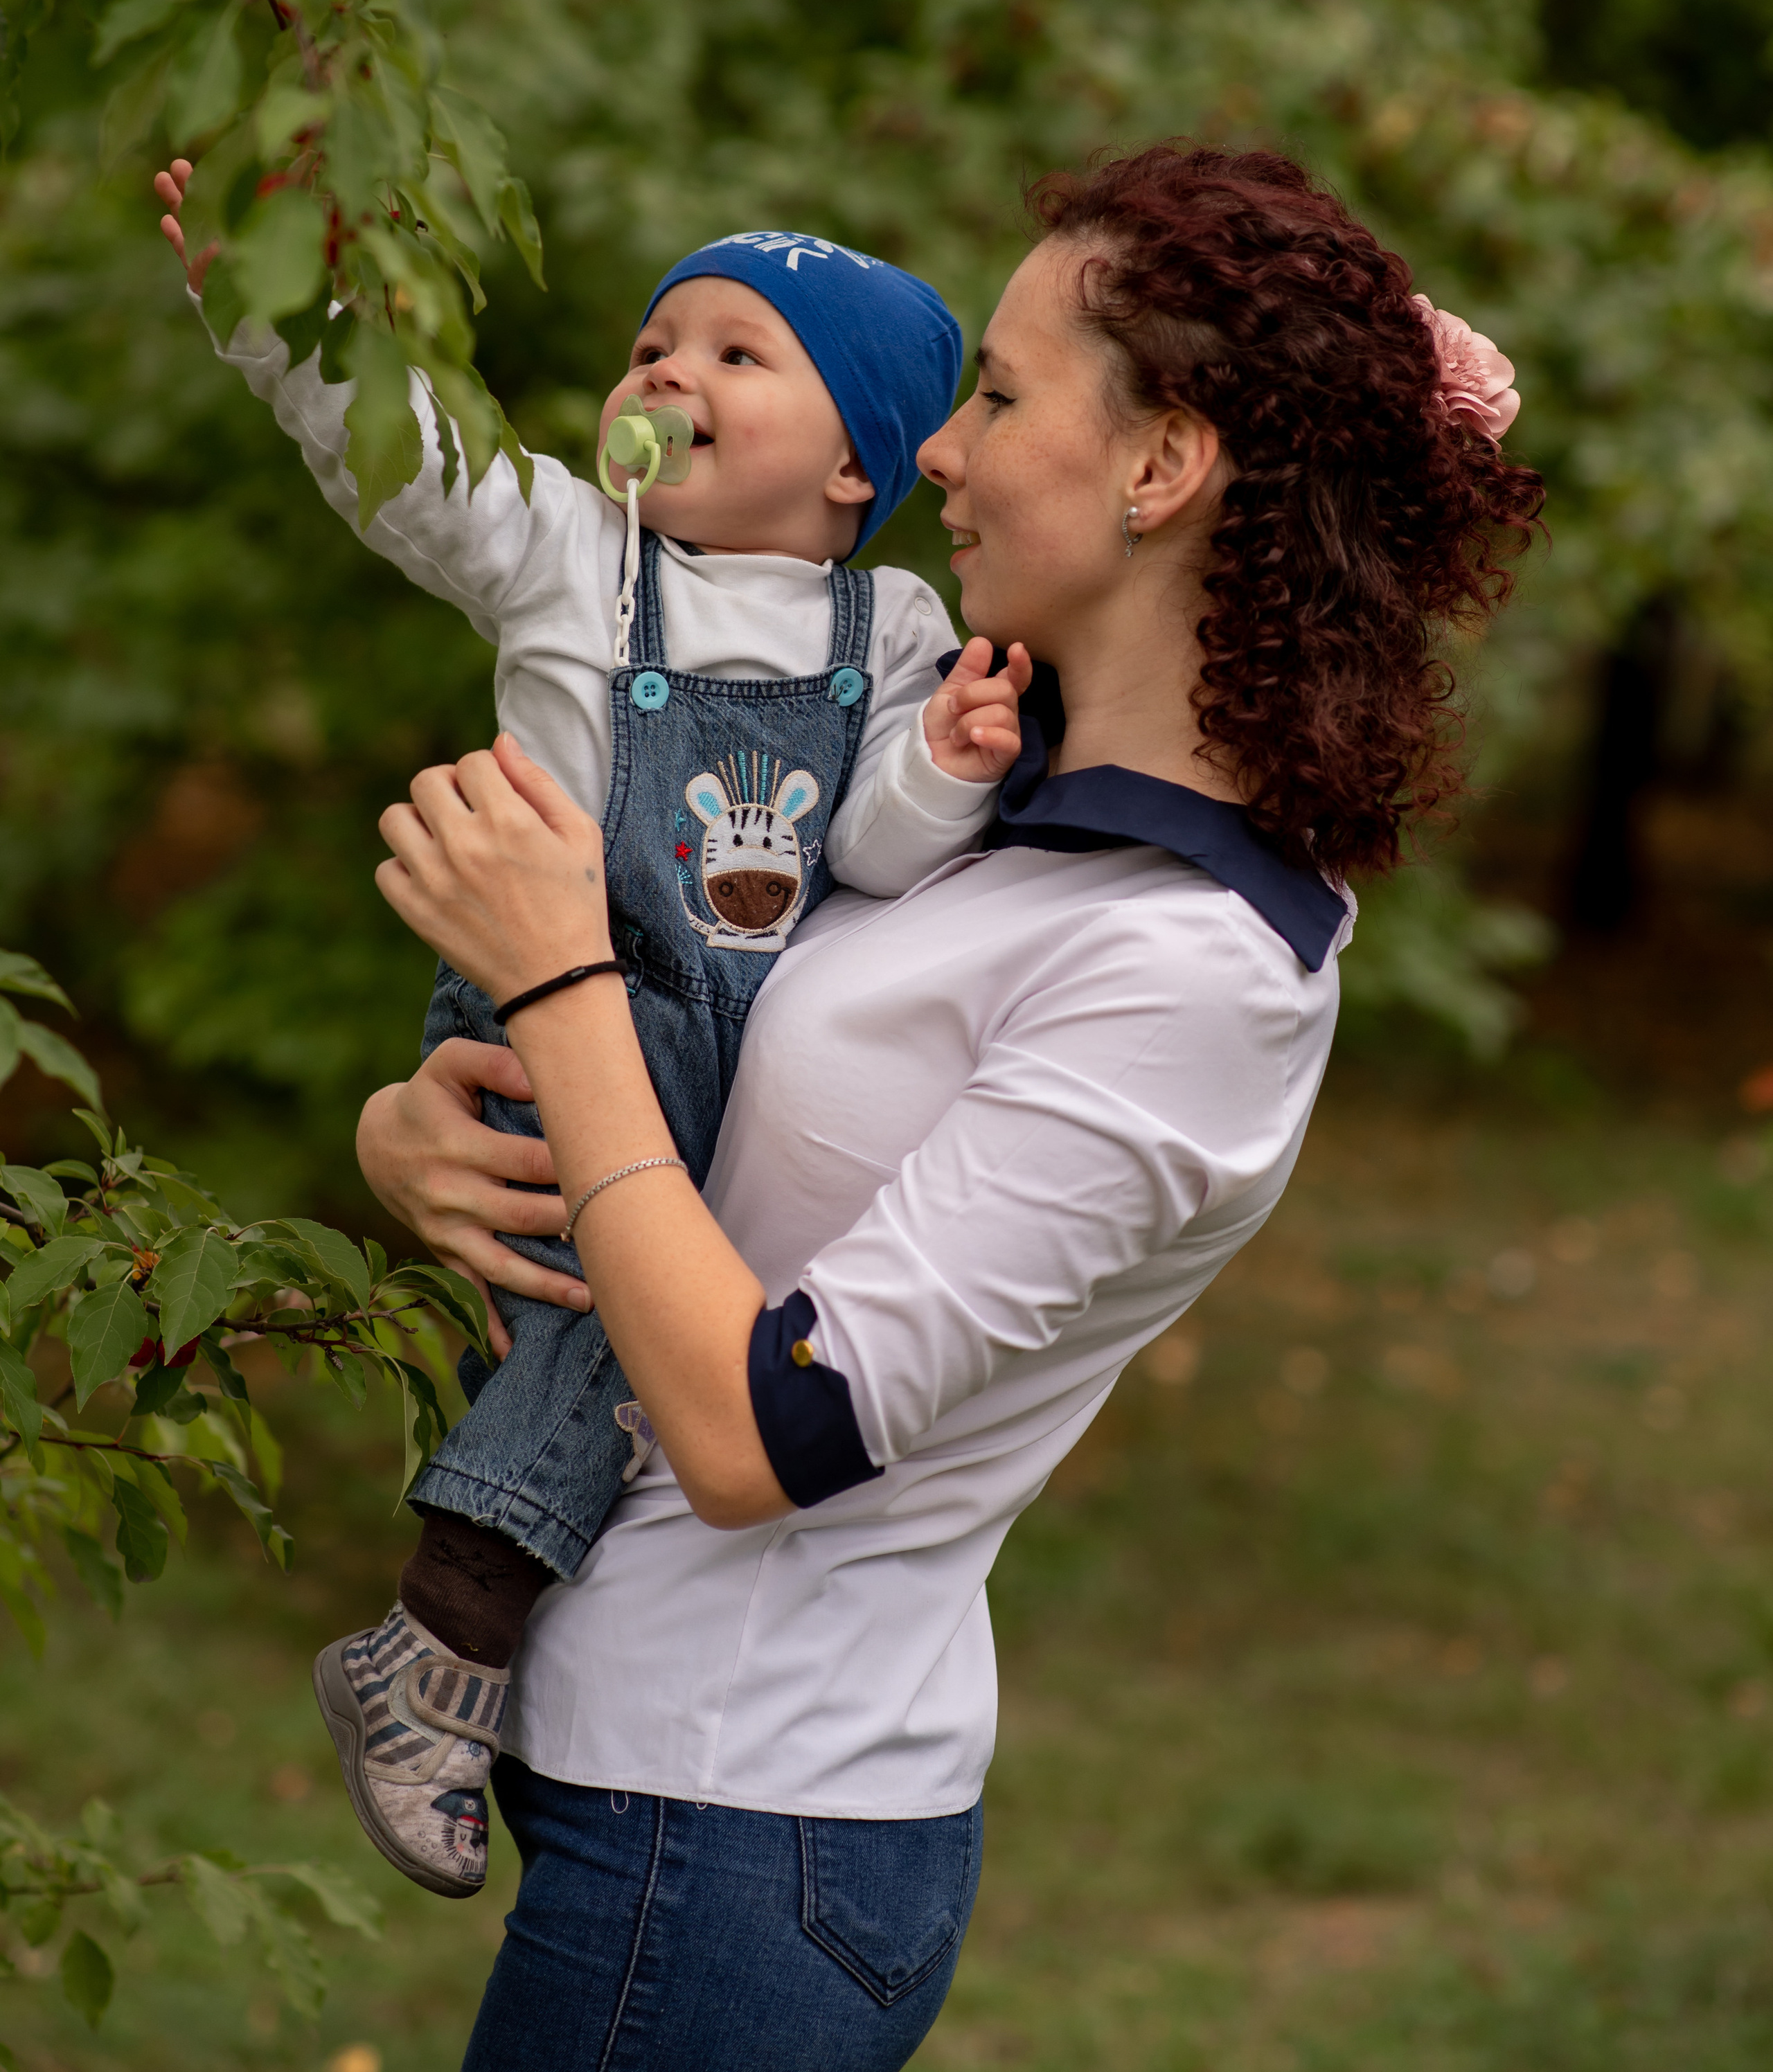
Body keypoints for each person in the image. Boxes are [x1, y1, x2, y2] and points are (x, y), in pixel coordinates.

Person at [354, 144, 1542, 2070]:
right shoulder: (971, 792)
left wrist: (562, 978)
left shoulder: (1197, 967)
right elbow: (703, 1107)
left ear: (1163, 468)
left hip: (742, 1820)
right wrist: (430, 1135)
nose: (942, 458)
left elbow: (767, 1426)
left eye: (995, 393)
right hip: (643, 1777)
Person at [154, 168, 1031, 1896]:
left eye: (731, 352)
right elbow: (397, 450)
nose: (660, 374)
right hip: (560, 1002)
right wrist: (276, 290)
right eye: (649, 343)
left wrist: (944, 766)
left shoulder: (901, 631)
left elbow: (864, 854)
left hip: (710, 1054)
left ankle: (441, 1650)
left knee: (628, 1336)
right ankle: (445, 1640)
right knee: (582, 1321)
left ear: (856, 460)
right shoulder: (571, 553)